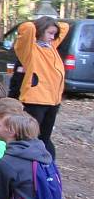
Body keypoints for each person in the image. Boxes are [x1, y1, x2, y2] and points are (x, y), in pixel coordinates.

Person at [13, 16, 69, 159]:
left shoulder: (51, 47)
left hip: (52, 101)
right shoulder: (30, 50)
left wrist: (51, 25)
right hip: (35, 101)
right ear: (40, 31)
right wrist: (38, 24)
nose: (53, 37)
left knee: (45, 138)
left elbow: (65, 27)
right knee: (31, 138)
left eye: (54, 34)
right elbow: (27, 28)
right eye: (50, 33)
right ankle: (30, 166)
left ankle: (46, 169)